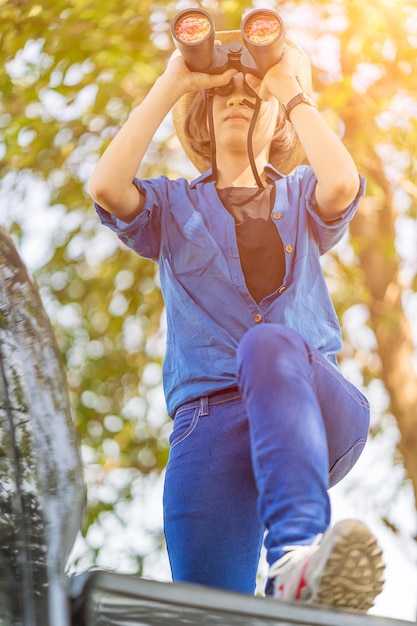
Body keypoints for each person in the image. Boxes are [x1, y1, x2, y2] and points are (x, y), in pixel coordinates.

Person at [88, 19, 385, 611]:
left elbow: (344, 181)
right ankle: (288, 581)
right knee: (207, 610)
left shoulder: (301, 195)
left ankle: (295, 558)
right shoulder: (170, 206)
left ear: (277, 118)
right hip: (209, 427)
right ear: (204, 111)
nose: (238, 102)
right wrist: (177, 79)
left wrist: (288, 87)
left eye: (254, 98)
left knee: (267, 345)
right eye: (225, 94)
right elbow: (106, 185)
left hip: (309, 403)